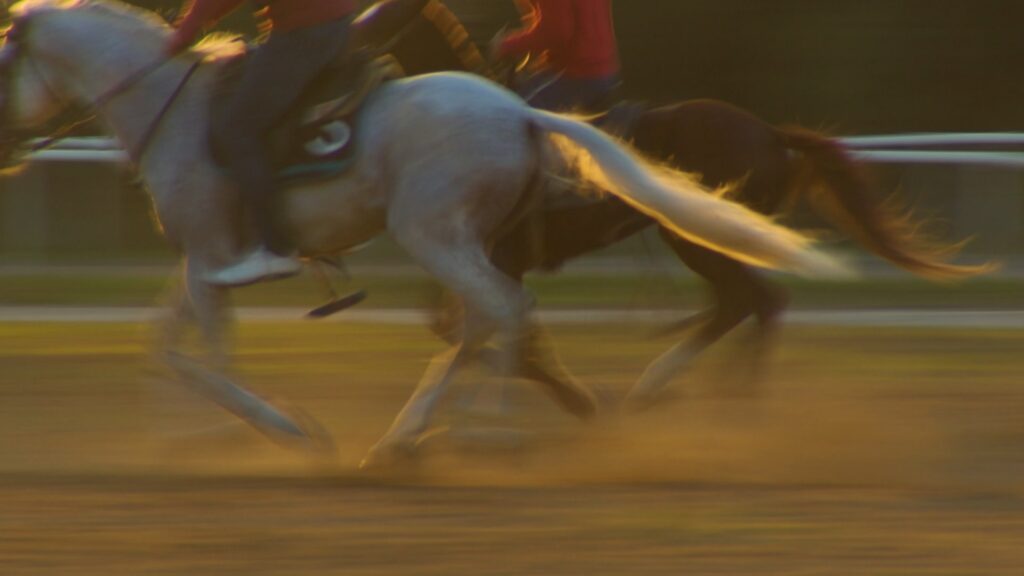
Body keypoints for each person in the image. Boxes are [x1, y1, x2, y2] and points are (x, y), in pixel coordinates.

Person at [166, 0, 358, 287]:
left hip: (303, 32)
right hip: (330, 24)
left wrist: (183, 33)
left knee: (237, 129)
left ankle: (275, 247)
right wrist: (200, 21)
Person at [492, 0, 620, 113]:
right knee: (523, 84)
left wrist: (505, 45)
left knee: (512, 114)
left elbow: (555, 33)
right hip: (603, 69)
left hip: (579, 74)